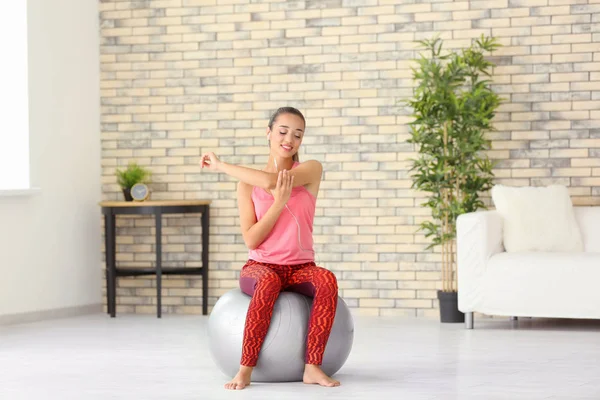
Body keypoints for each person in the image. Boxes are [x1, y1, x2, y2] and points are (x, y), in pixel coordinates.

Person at [200, 107, 340, 390]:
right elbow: (251, 240)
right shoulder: (246, 185)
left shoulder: (310, 170)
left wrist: (220, 165)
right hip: (261, 267)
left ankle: (312, 367)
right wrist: (278, 204)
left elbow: (271, 182)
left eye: (298, 134)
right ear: (269, 132)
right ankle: (244, 370)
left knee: (326, 279)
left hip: (301, 268)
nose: (290, 139)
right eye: (283, 131)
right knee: (268, 282)